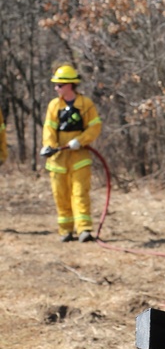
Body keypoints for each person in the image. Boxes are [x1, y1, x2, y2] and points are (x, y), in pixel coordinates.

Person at [41, 64, 103, 242]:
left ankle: (84, 230)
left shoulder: (85, 104)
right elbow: (49, 129)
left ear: (70, 85)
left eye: (59, 85)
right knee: (61, 194)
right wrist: (49, 145)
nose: (56, 88)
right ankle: (66, 231)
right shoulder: (54, 106)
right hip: (58, 159)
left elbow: (95, 126)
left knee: (80, 193)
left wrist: (81, 140)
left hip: (79, 158)